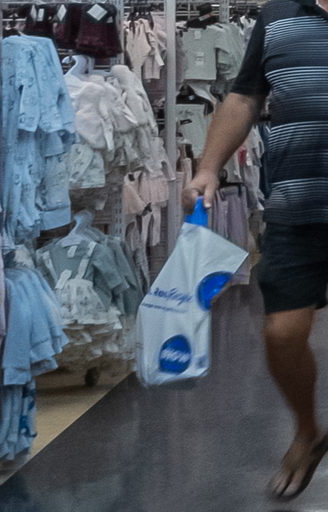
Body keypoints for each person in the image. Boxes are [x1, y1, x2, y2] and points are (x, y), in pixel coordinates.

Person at [182, 0, 328, 501]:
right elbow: (245, 96)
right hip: (296, 205)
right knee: (282, 334)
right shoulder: (278, 15)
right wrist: (208, 167)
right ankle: (308, 430)